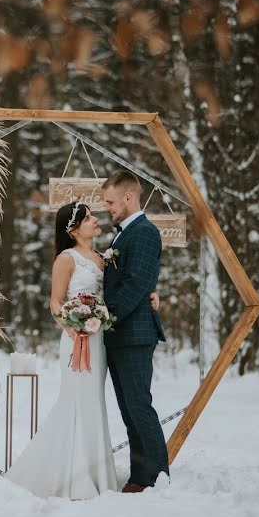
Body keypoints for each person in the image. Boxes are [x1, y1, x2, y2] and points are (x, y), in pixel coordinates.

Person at [4, 201, 159, 499]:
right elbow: (55, 303)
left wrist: (151, 295)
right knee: (75, 401)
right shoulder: (66, 259)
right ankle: (72, 474)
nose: (95, 221)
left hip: (99, 341)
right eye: (88, 218)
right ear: (73, 230)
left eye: (92, 216)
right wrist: (73, 326)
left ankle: (95, 472)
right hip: (77, 341)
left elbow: (125, 287)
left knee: (94, 403)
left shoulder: (104, 257)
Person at [101, 170, 169, 493]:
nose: (108, 208)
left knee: (139, 406)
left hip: (134, 335)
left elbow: (137, 284)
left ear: (129, 197)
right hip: (119, 336)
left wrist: (105, 316)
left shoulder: (144, 232)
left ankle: (158, 476)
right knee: (129, 412)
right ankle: (140, 476)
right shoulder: (123, 234)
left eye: (111, 202)